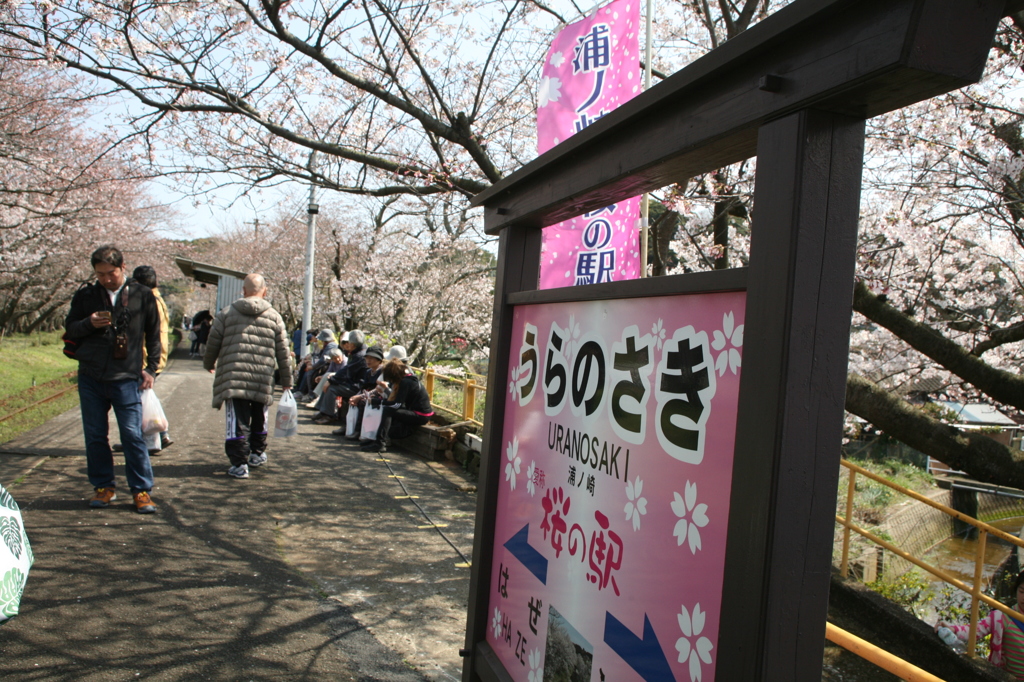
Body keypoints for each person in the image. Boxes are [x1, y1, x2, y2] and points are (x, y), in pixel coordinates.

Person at [63, 245, 160, 513]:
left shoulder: (142, 294)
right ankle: (103, 487)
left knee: (131, 435)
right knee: (95, 435)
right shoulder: (86, 295)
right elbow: (70, 328)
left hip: (126, 376)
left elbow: (154, 334)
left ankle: (141, 490)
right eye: (100, 274)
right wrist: (89, 323)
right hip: (91, 375)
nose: (106, 279)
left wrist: (152, 369)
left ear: (122, 268)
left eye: (111, 273)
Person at [203, 273, 294, 479]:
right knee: (260, 417)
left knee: (237, 420)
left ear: (243, 291)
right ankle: (257, 453)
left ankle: (239, 463)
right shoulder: (275, 317)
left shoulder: (226, 313)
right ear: (265, 291)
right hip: (262, 378)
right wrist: (287, 381)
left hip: (233, 378)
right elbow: (283, 351)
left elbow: (213, 342)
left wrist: (209, 363)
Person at [937, 570, 1024, 678]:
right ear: (1016, 590)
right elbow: (975, 630)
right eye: (1022, 591)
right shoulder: (1003, 618)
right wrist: (953, 629)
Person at [132, 265, 173, 451]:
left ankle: (152, 439)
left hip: (147, 358)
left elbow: (146, 334)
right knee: (147, 397)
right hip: (158, 356)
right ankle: (160, 435)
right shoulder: (158, 298)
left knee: (141, 399)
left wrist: (145, 363)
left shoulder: (148, 300)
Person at [360, 358, 434, 453]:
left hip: (420, 415)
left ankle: (380, 443)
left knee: (387, 410)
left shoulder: (406, 382)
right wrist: (379, 401)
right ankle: (375, 439)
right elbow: (397, 402)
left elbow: (396, 404)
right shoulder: (407, 379)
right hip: (415, 411)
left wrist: (378, 402)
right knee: (386, 408)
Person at [312, 330, 370, 424]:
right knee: (328, 384)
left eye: (349, 342)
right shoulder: (359, 352)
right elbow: (346, 370)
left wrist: (331, 380)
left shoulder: (360, 355)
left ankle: (328, 415)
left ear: (353, 344)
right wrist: (331, 379)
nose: (347, 344)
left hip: (357, 386)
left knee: (331, 388)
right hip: (352, 382)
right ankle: (322, 411)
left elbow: (346, 370)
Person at [332, 345, 386, 438]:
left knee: (362, 402)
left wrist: (360, 397)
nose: (368, 360)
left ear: (379, 360)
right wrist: (356, 396)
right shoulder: (368, 372)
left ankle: (358, 430)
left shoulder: (382, 372)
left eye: (372, 358)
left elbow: (379, 389)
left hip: (379, 396)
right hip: (367, 394)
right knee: (352, 400)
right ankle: (348, 426)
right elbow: (363, 387)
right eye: (367, 358)